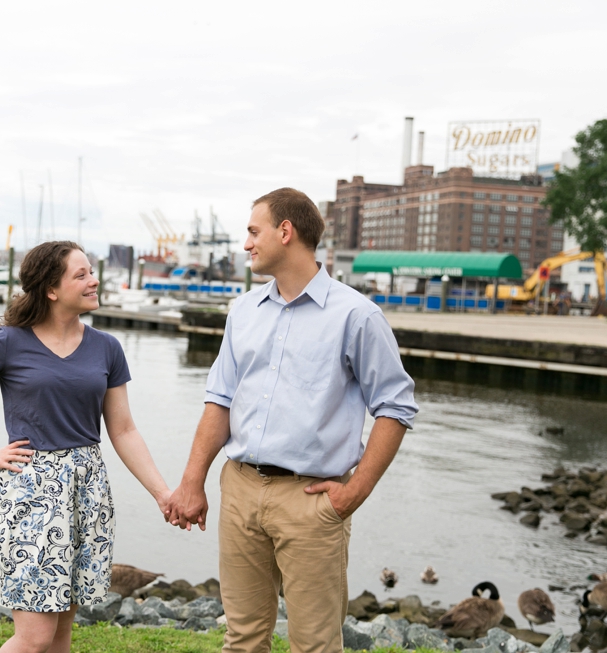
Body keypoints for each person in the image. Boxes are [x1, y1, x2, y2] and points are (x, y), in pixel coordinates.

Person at [166, 188, 418, 653]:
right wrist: (192, 482)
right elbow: (219, 399)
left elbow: (396, 407)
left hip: (311, 501)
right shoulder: (242, 311)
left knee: (315, 646)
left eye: (253, 231)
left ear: (286, 232)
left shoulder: (357, 316)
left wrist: (353, 493)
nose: (246, 244)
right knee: (241, 639)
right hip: (240, 490)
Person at [0, 241, 171, 653]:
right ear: (51, 289)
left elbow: (124, 430)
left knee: (60, 632)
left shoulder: (106, 347)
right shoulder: (9, 342)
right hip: (32, 494)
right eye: (81, 274)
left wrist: (162, 493)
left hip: (87, 492)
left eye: (91, 271)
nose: (94, 280)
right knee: (36, 635)